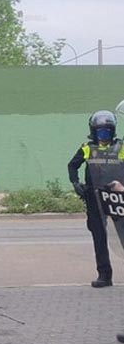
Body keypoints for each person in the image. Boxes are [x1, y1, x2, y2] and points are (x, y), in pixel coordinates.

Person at [68, 110, 123, 288]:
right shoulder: (87, 148)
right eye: (100, 132)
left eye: (107, 131)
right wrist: (76, 184)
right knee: (99, 237)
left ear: (113, 131)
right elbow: (72, 166)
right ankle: (104, 275)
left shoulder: (121, 148)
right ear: (93, 131)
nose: (103, 135)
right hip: (95, 197)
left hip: (117, 197)